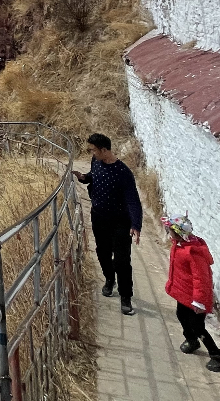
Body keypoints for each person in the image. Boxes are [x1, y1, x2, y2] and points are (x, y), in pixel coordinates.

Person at [74, 133, 142, 315]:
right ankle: (109, 279)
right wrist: (84, 178)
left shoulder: (123, 173)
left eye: (93, 150)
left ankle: (126, 296)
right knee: (102, 253)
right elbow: (94, 176)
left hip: (120, 222)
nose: (92, 153)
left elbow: (133, 200)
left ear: (104, 150)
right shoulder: (96, 162)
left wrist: (136, 224)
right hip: (99, 218)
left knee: (122, 260)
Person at [162, 215, 220, 372]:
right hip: (184, 294)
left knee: (197, 326)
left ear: (179, 233)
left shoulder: (193, 253)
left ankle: (217, 355)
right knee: (181, 315)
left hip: (196, 298)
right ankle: (192, 340)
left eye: (170, 230)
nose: (168, 232)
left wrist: (199, 301)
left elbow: (201, 279)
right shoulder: (179, 245)